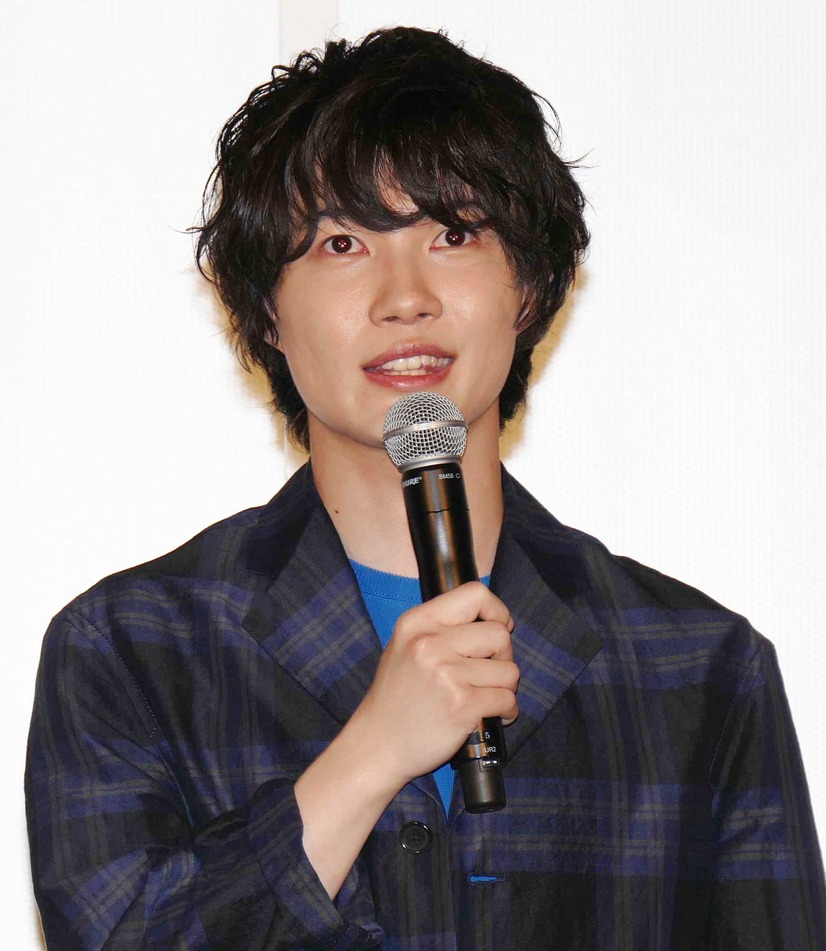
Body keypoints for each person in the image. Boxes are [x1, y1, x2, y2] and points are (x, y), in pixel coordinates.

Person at [25, 26, 825, 950]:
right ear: (266, 311)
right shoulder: (131, 652)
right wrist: (371, 753)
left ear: (529, 286)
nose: (405, 296)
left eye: (453, 233)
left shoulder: (699, 670)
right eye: (341, 243)